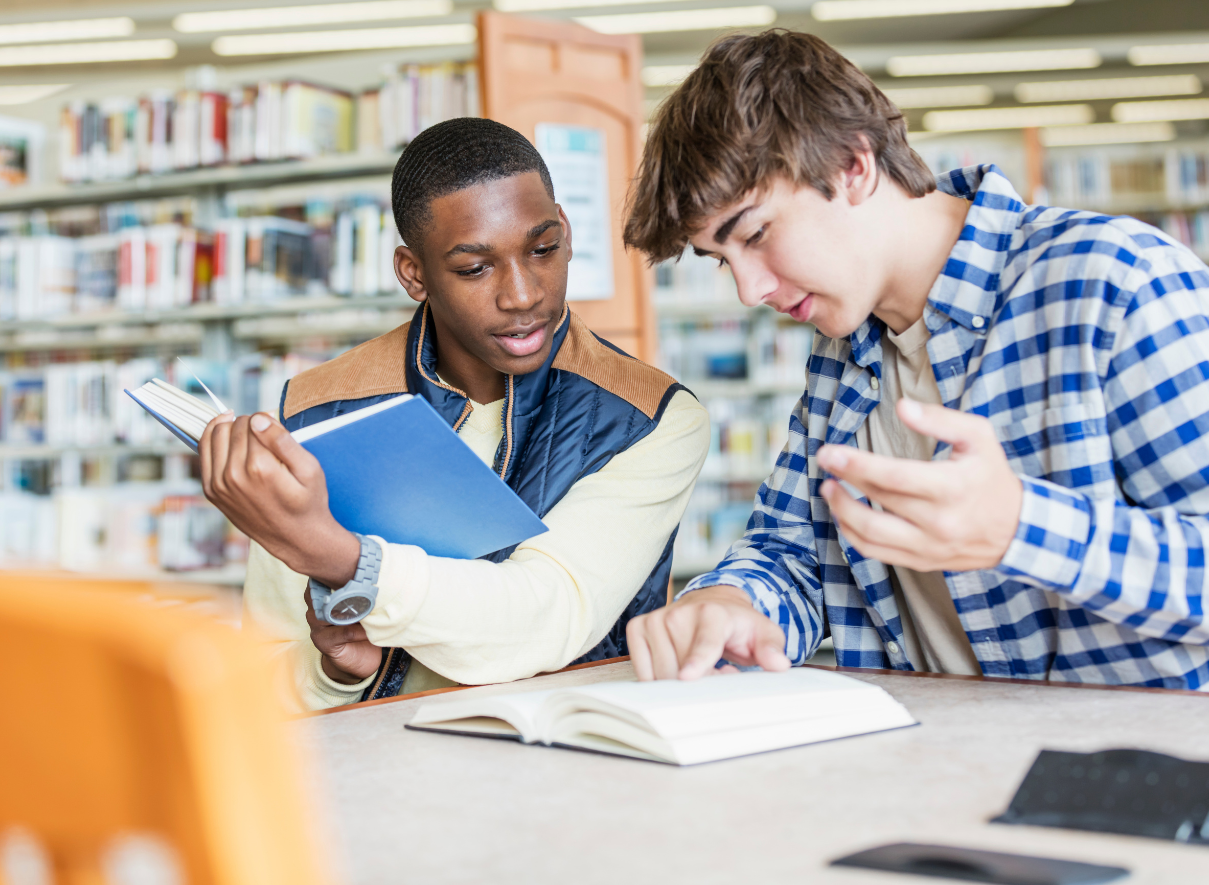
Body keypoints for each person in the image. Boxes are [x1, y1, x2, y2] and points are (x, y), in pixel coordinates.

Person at [622, 30, 1209, 690]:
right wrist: (732, 602)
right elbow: (794, 549)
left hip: (1141, 776)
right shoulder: (844, 349)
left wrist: (1021, 527)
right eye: (721, 259)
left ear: (852, 165)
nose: (749, 290)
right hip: (939, 767)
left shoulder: (1116, 281)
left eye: (756, 234)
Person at [199, 118, 709, 710]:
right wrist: (337, 673)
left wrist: (338, 558)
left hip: (571, 768)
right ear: (414, 274)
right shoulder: (317, 409)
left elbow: (548, 616)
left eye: (543, 249)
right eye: (474, 268)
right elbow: (265, 672)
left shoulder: (648, 417)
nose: (522, 294)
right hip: (379, 775)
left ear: (566, 232)